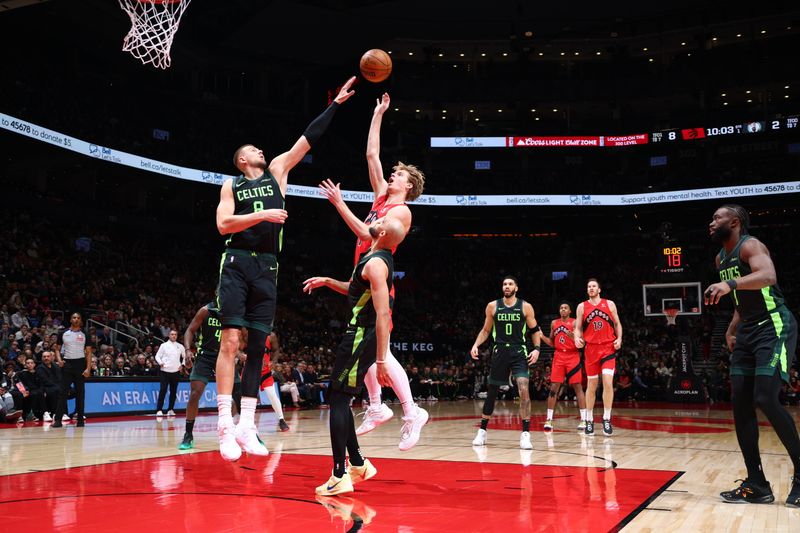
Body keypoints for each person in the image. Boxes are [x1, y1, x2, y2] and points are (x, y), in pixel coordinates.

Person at [213, 77, 356, 462]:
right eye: (254, 150)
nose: (262, 150)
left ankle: (247, 426)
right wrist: (261, 213)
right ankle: (224, 426)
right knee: (230, 342)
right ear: (244, 160)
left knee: (259, 350)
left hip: (269, 267)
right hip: (237, 263)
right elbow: (224, 226)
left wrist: (336, 104)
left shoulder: (278, 169)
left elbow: (306, 139)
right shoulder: (231, 185)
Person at [317, 92, 428, 450]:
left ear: (407, 185)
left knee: (381, 352)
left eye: (397, 175)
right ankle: (378, 406)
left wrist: (339, 203)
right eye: (392, 173)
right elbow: (371, 154)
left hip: (378, 275)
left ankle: (410, 411)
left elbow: (367, 233)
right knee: (362, 350)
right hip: (361, 272)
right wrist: (378, 113)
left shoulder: (401, 213)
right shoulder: (381, 196)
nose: (391, 176)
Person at [704, 204, 800, 505]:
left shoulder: (751, 245)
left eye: (717, 218)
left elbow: (768, 276)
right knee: (740, 404)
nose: (711, 222)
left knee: (765, 397)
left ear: (734, 222)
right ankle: (757, 484)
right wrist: (732, 330)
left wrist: (729, 283)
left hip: (773, 324)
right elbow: (740, 300)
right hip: (746, 330)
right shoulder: (721, 258)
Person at [303, 217, 405, 496]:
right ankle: (358, 464)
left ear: (382, 232)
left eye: (381, 219)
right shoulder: (370, 259)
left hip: (362, 336)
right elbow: (354, 289)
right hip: (359, 335)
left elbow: (384, 313)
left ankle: (339, 474)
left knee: (337, 397)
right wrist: (326, 281)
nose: (376, 218)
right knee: (339, 395)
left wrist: (382, 359)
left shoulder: (376, 263)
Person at [470, 276, 541, 450]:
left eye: (510, 284)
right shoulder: (492, 306)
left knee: (523, 388)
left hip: (519, 351)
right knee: (492, 392)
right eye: (504, 284)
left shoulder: (525, 306)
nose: (507, 286)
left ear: (516, 287)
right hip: (500, 351)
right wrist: (476, 344)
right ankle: (483, 431)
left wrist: (537, 349)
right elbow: (486, 330)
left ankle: (525, 434)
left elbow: (535, 330)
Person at [178, 302, 241, 450]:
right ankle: (188, 434)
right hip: (205, 356)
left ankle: (243, 431)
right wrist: (187, 350)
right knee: (195, 394)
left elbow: (241, 336)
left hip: (225, 356)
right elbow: (189, 330)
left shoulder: (233, 312)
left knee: (239, 394)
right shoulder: (205, 311)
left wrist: (238, 352)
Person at [573, 279, 622, 437]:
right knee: (592, 385)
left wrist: (619, 338)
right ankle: (588, 419)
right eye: (589, 287)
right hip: (591, 349)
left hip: (607, 348)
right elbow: (578, 328)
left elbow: (617, 324)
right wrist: (576, 338)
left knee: (608, 382)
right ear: (587, 290)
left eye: (594, 286)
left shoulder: (609, 304)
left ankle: (607, 418)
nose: (591, 288)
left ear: (599, 289)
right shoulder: (582, 306)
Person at [540, 302, 587, 431]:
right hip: (559, 356)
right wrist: (541, 336)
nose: (563, 309)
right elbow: (552, 342)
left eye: (565, 308)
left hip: (573, 356)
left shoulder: (575, 322)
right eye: (561, 308)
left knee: (577, 386)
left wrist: (573, 337)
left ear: (570, 311)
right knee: (554, 388)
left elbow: (582, 344)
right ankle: (549, 419)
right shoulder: (554, 323)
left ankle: (584, 420)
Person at [52, 313, 92, 428]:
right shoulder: (63, 333)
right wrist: (59, 360)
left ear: (80, 320)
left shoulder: (85, 334)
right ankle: (58, 420)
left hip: (80, 364)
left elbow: (89, 353)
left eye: (78, 318)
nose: (76, 319)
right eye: (74, 317)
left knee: (80, 393)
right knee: (62, 393)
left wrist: (88, 368)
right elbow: (57, 349)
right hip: (67, 364)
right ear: (70, 319)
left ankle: (80, 420)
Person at [258, 331, 290, 431]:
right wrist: (241, 355)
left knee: (272, 396)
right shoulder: (247, 333)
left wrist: (274, 361)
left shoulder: (270, 335)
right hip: (251, 371)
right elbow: (239, 349)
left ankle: (281, 420)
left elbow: (276, 350)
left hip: (265, 372)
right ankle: (235, 420)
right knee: (241, 396)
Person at [154, 329, 185, 417]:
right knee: (163, 390)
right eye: (172, 334)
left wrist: (182, 365)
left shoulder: (180, 346)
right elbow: (157, 356)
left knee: (173, 391)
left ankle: (170, 409)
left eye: (175, 334)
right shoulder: (163, 345)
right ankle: (159, 409)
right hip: (165, 371)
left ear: (177, 336)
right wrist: (160, 363)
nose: (174, 336)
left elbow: (185, 357)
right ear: (169, 335)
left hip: (176, 372)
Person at [35, 350, 61, 421]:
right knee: (56, 390)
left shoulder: (56, 366)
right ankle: (53, 413)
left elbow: (60, 378)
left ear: (52, 357)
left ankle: (70, 413)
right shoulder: (40, 368)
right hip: (45, 387)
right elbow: (45, 381)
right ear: (42, 358)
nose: (46, 358)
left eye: (48, 356)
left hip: (55, 386)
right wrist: (58, 386)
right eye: (44, 357)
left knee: (72, 391)